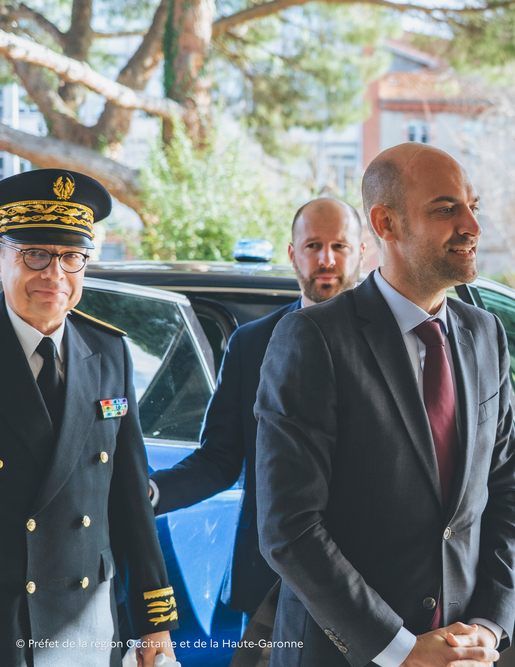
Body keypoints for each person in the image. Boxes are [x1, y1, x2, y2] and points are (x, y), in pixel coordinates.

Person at [255, 143, 515, 667]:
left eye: (472, 206)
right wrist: (398, 649)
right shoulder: (313, 338)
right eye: (446, 209)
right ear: (386, 223)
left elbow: (506, 489)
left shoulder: (485, 334)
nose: (472, 225)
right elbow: (289, 526)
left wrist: (489, 626)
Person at [148, 198, 365, 618]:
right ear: (293, 253)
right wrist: (151, 493)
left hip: (368, 579)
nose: (326, 259)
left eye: (339, 246)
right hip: (270, 580)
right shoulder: (250, 344)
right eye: (313, 246)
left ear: (361, 253)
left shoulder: (393, 343)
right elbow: (220, 459)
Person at [0, 169, 178, 667]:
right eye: (35, 254)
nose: (54, 274)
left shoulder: (109, 353)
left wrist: (155, 624)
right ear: (1, 257)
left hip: (86, 626)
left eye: (72, 257)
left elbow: (130, 496)